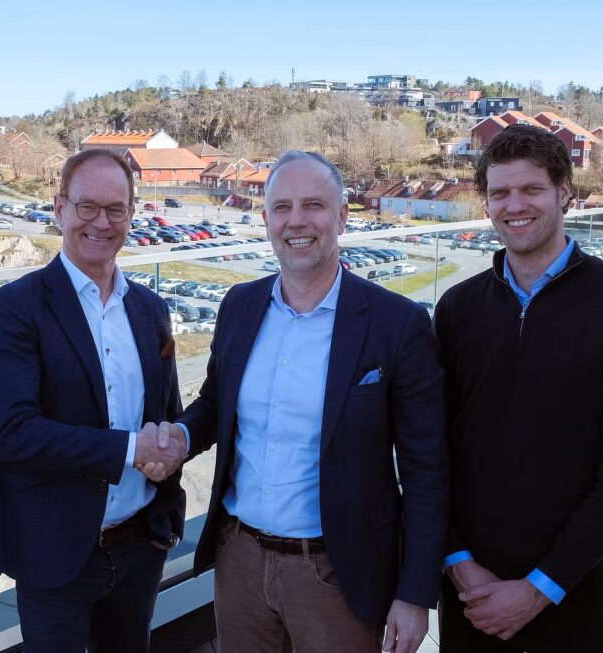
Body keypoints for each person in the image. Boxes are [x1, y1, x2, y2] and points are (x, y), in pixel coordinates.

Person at [164, 150, 449, 653]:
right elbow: (214, 402)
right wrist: (181, 436)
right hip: (239, 561)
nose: (296, 221)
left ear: (341, 216)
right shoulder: (239, 305)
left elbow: (426, 468)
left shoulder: (396, 323)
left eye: (313, 205)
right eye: (282, 207)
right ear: (266, 219)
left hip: (339, 573)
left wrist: (414, 594)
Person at [435, 124, 603, 652]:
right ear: (486, 203)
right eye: (500, 193)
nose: (515, 205)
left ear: (564, 191)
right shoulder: (457, 309)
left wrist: (539, 589)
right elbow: (430, 449)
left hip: (571, 590)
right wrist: (458, 562)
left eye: (531, 189)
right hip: (470, 593)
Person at [0, 149, 185, 653]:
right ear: (59, 208)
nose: (101, 222)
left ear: (131, 215)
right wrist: (130, 450)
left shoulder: (151, 310)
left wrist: (168, 468)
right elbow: (14, 434)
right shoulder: (17, 307)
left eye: (116, 209)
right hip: (57, 557)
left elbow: (168, 414)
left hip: (140, 547)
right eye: (86, 206)